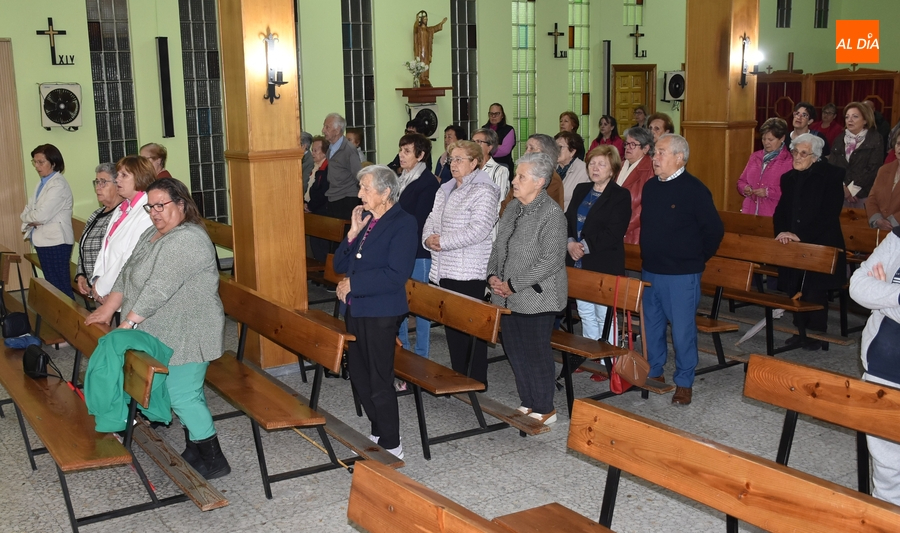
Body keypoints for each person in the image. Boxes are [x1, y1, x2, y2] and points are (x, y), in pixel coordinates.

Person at [85, 178, 231, 479]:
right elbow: (127, 273)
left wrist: (127, 324)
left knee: (182, 396)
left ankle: (215, 459)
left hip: (190, 330)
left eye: (161, 205)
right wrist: (109, 308)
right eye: (150, 206)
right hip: (163, 331)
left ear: (181, 204)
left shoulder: (188, 238)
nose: (155, 213)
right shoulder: (152, 233)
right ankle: (196, 447)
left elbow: (158, 289)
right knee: (186, 392)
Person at [334, 166, 417, 459]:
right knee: (359, 375)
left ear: (385, 192)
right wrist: (352, 233)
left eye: (366, 188)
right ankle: (378, 430)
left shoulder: (403, 223)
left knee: (380, 379)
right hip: (357, 308)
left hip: (382, 312)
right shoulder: (367, 221)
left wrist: (353, 283)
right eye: (360, 187)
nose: (360, 194)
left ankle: (392, 445)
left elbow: (396, 274)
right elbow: (338, 265)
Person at [640, 134, 724, 406]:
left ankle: (684, 382)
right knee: (651, 326)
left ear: (680, 157)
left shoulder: (695, 189)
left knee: (682, 331)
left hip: (681, 274)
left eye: (661, 153)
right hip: (651, 270)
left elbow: (714, 230)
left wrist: (695, 259)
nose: (655, 158)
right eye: (655, 153)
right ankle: (654, 371)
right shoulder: (651, 187)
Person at [487, 152, 567, 425]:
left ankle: (545, 407)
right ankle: (527, 400)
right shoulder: (512, 208)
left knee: (536, 351)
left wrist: (513, 284)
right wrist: (493, 276)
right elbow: (499, 247)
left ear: (540, 182)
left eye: (521, 176)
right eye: (515, 175)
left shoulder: (552, 214)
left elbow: (552, 260)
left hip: (537, 297)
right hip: (506, 296)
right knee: (514, 349)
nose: (513, 180)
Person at [422, 140, 499, 385]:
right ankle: (459, 376)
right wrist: (428, 239)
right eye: (451, 159)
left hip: (469, 270)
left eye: (459, 159)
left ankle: (476, 381)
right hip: (444, 267)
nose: (453, 164)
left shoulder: (484, 190)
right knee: (453, 328)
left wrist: (442, 241)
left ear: (475, 162)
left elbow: (479, 230)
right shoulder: (445, 188)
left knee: (470, 329)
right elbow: (431, 218)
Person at [773, 133, 846, 350]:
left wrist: (801, 235)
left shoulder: (832, 176)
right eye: (795, 152)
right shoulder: (789, 177)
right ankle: (800, 330)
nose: (797, 156)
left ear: (815, 156)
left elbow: (829, 214)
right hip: (793, 242)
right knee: (794, 284)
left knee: (814, 288)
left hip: (821, 242)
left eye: (803, 153)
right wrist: (782, 232)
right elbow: (781, 211)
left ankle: (816, 333)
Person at [848, 229, 900, 507]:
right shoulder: (899, 238)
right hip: (884, 366)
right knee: (887, 466)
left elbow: (874, 296)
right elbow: (858, 285)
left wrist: (883, 298)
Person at [565, 145, 631, 358]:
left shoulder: (620, 195)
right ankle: (590, 354)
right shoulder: (581, 189)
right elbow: (567, 220)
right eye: (592, 163)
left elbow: (614, 231)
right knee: (584, 311)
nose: (595, 168)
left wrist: (583, 246)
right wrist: (569, 242)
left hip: (604, 261)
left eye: (601, 164)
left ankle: (608, 359)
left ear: (612, 169)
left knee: (604, 313)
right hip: (578, 260)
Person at [395, 133, 440, 359]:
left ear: (420, 156)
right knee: (400, 300)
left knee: (420, 306)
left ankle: (421, 356)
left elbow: (420, 219)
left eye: (407, 151)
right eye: (401, 150)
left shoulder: (427, 182)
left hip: (419, 252)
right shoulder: (401, 178)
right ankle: (402, 349)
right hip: (401, 249)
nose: (401, 156)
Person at [90, 155, 155, 301]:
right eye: (118, 174)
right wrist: (97, 279)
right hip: (107, 287)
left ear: (140, 177)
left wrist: (102, 287)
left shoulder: (147, 212)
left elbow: (129, 256)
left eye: (123, 175)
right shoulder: (122, 207)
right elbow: (105, 247)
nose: (117, 179)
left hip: (126, 291)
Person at [20, 144, 75, 299]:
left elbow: (40, 216)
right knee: (52, 284)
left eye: (41, 162)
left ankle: (69, 320)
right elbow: (28, 209)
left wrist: (30, 217)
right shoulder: (43, 182)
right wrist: (29, 217)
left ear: (54, 163)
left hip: (56, 242)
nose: (37, 166)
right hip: (44, 241)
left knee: (60, 285)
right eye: (35, 162)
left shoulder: (58, 185)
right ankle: (60, 319)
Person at [75, 163, 123, 301]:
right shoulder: (96, 213)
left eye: (103, 182)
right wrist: (81, 274)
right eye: (96, 182)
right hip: (93, 287)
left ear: (117, 184)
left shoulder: (122, 214)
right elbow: (83, 246)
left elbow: (116, 256)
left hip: (110, 291)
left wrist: (103, 286)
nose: (98, 187)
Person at [829, 101, 885, 207]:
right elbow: (832, 166)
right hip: (840, 192)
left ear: (865, 120)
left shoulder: (875, 139)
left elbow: (873, 168)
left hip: (863, 194)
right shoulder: (839, 139)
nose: (850, 120)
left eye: (855, 116)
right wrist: (843, 188)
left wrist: (851, 190)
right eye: (847, 117)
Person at [736, 117, 793, 216]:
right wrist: (745, 188)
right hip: (749, 211)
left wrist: (768, 192)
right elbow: (741, 181)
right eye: (763, 138)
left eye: (771, 139)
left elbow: (791, 191)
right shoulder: (755, 156)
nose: (766, 143)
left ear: (782, 138)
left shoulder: (789, 161)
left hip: (772, 213)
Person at [500, 134, 565, 214]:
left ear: (546, 154)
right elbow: (504, 207)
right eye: (526, 148)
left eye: (531, 148)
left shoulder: (552, 179)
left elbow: (536, 211)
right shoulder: (520, 174)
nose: (526, 152)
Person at [616, 127, 655, 245]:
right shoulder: (619, 166)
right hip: (614, 228)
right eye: (627, 143)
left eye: (633, 144)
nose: (628, 147)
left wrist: (621, 227)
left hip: (635, 232)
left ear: (646, 148)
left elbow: (645, 206)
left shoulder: (651, 170)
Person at [322, 113, 362, 220]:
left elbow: (358, 174)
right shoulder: (330, 148)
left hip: (346, 198)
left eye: (327, 127)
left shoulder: (348, 149)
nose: (323, 130)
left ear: (337, 129)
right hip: (333, 196)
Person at [305, 136, 331, 263]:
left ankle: (323, 271)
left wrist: (310, 206)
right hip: (312, 209)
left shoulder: (326, 169)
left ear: (324, 152)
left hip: (321, 212)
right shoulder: (315, 167)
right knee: (313, 244)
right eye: (312, 150)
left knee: (321, 246)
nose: (312, 153)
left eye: (316, 150)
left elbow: (322, 192)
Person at [472, 128, 510, 212]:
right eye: (473, 142)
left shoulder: (500, 171)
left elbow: (499, 204)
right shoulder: (470, 170)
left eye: (478, 142)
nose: (474, 145)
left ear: (489, 147)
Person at [868, 135, 900, 230]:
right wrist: (878, 219)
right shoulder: (884, 169)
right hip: (880, 227)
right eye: (898, 144)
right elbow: (872, 197)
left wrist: (893, 222)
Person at [554, 131, 590, 210]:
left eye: (559, 147)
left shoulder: (584, 171)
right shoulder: (552, 169)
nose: (555, 151)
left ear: (572, 151)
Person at [412, 10, 446, 88]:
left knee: (426, 64)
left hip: (426, 50)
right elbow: (415, 27)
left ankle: (426, 78)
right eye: (424, 19)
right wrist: (417, 20)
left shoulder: (428, 30)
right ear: (421, 20)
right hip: (420, 50)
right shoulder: (419, 29)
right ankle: (421, 78)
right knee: (421, 63)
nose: (426, 21)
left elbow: (435, 28)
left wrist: (441, 23)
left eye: (427, 19)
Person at [482, 103, 515, 171]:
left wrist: (487, 147)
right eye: (491, 114)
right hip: (485, 165)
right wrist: (497, 146)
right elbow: (479, 148)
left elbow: (505, 150)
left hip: (503, 165)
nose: (493, 116)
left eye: (497, 114)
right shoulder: (484, 129)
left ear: (502, 115)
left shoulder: (508, 130)